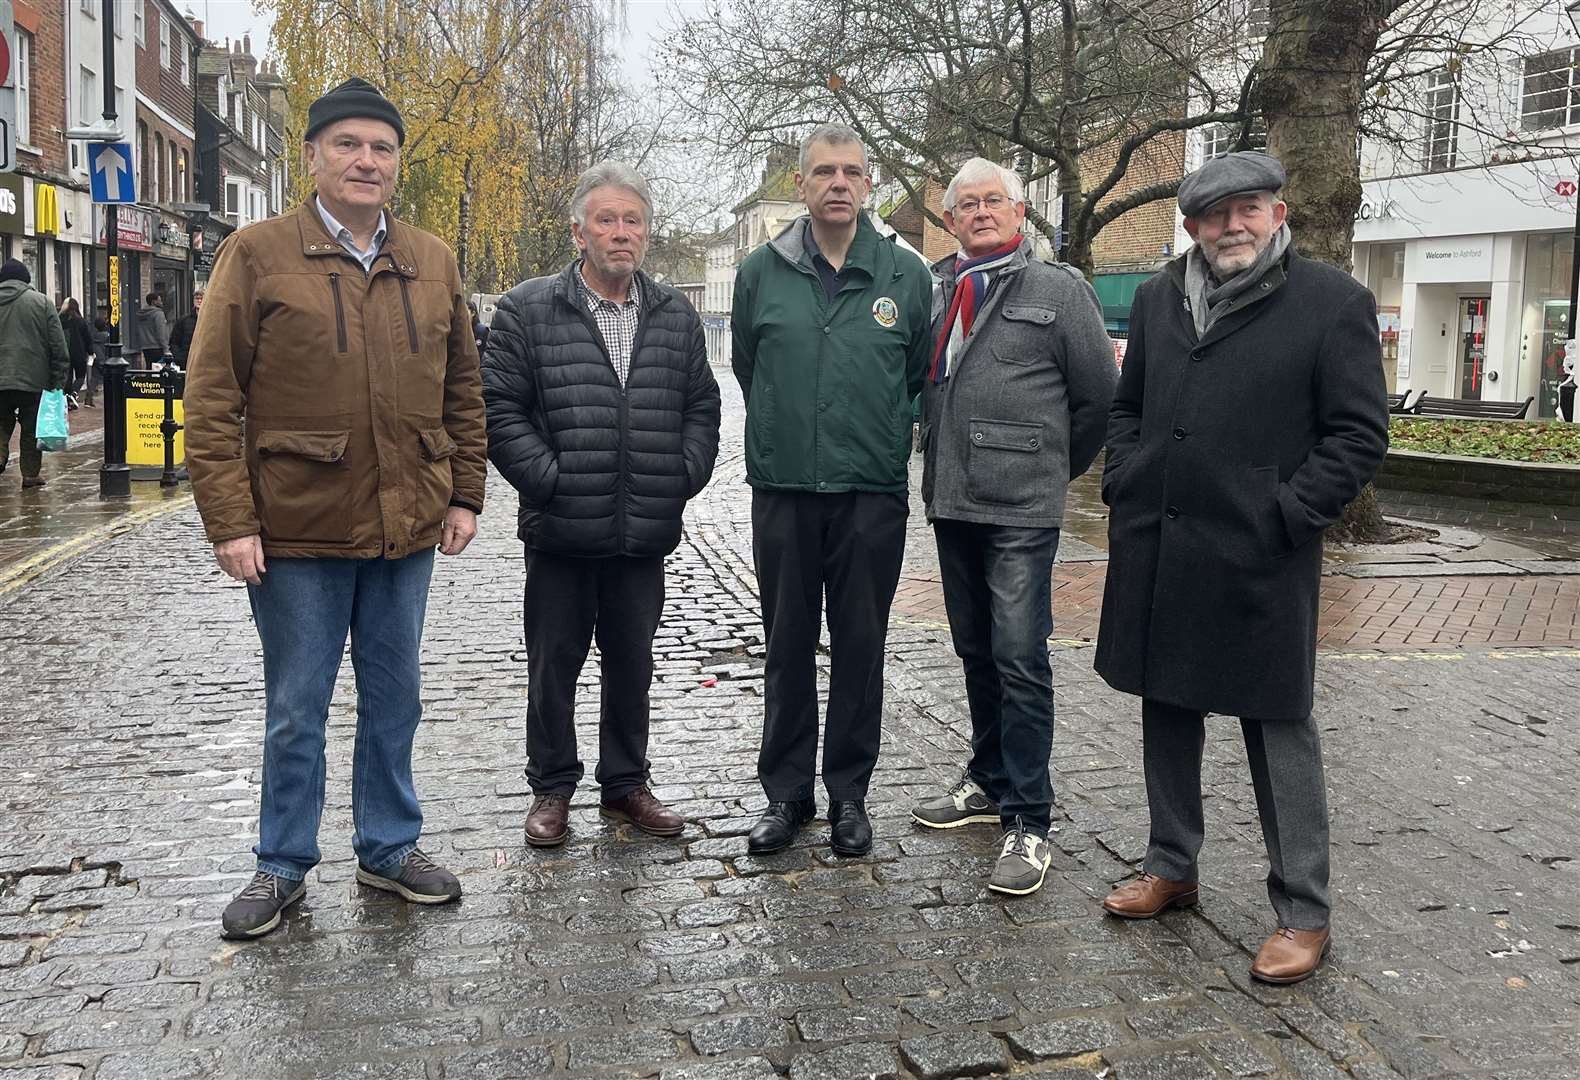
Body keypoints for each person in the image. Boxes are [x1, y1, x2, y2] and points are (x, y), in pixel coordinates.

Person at [184, 77, 488, 941]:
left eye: (381, 147)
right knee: (298, 704)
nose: (365, 160)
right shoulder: (256, 254)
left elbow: (464, 386)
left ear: (397, 163)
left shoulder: (432, 259)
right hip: (296, 529)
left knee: (396, 698)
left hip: (407, 526)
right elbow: (211, 399)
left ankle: (388, 848)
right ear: (311, 156)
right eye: (347, 144)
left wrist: (465, 490)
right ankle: (281, 861)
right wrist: (231, 521)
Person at [1094, 151, 1388, 983]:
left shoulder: (1333, 303)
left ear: (1278, 212)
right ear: (1190, 226)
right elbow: (1128, 407)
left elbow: (1358, 436)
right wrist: (1125, 477)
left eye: (1249, 208)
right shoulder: (1157, 300)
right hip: (1161, 543)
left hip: (1261, 553)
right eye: (1216, 214)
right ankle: (1170, 865)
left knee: (1278, 725)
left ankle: (1303, 910)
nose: (1234, 226)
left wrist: (1287, 514)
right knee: (1167, 707)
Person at [484, 161, 721, 849]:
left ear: (647, 232)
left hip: (642, 527)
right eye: (608, 220)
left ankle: (625, 784)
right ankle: (551, 788)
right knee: (552, 665)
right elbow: (501, 410)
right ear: (579, 231)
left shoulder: (674, 312)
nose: (622, 233)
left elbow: (702, 405)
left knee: (632, 663)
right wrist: (548, 478)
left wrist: (681, 473)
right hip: (560, 528)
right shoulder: (528, 308)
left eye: (633, 221)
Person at [908, 158, 1117, 896]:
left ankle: (1029, 821)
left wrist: (1045, 472)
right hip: (952, 500)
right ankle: (989, 779)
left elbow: (1098, 401)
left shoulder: (1059, 290)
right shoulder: (938, 289)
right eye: (966, 204)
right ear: (951, 219)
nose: (980, 211)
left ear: (1020, 212)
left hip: (1021, 509)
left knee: (1020, 657)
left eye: (993, 200)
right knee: (976, 652)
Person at [731, 124, 932, 857]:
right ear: (803, 183)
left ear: (868, 184)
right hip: (784, 487)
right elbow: (749, 366)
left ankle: (850, 795)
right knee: (785, 645)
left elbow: (915, 375)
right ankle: (786, 795)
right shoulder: (760, 273)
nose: (838, 183)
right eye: (824, 172)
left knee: (859, 644)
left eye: (851, 172)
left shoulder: (905, 275)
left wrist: (867, 432)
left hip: (871, 491)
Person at [0, 260, 70, 489]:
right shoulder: (41, 303)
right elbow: (58, 346)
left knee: (1, 423)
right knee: (31, 427)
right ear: (26, 280)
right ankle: (30, 474)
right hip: (34, 380)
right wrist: (58, 381)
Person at [57, 297, 94, 409]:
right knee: (80, 376)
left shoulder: (60, 320)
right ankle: (73, 394)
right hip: (79, 353)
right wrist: (91, 352)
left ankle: (67, 400)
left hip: (65, 352)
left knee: (67, 377)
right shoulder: (80, 321)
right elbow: (87, 338)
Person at [169, 290, 202, 368]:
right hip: (186, 362)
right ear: (193, 300)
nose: (199, 301)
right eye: (197, 298)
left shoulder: (211, 321)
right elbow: (174, 342)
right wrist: (180, 359)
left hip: (206, 363)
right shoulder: (183, 321)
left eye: (202, 298)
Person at [135, 292, 169, 368]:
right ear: (154, 302)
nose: (161, 302)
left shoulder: (141, 314)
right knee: (158, 370)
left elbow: (137, 332)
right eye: (159, 300)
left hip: (145, 347)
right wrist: (166, 348)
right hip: (157, 347)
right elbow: (161, 333)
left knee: (149, 369)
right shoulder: (158, 314)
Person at [83, 313, 109, 408]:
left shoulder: (92, 336)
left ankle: (88, 399)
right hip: (105, 360)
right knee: (110, 381)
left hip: (94, 359)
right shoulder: (107, 337)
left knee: (93, 380)